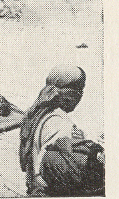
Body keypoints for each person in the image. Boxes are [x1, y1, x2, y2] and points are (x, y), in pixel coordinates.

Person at [19, 65, 103, 196]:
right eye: (79, 89)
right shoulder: (60, 121)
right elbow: (62, 168)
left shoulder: (37, 115)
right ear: (70, 93)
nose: (81, 95)